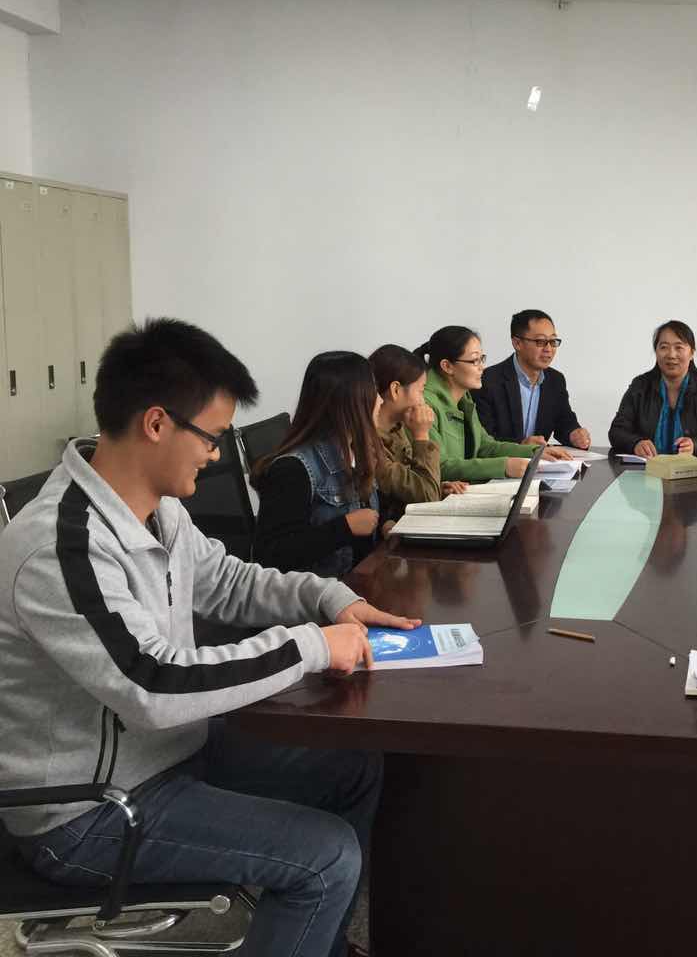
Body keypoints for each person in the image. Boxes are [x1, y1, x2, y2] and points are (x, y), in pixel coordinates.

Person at [0, 318, 417, 957]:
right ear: (156, 423)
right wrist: (310, 645)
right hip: (92, 812)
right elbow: (153, 683)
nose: (218, 455)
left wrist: (331, 597)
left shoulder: (156, 508)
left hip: (170, 754)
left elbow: (227, 581)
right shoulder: (62, 547)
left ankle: (316, 943)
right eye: (212, 437)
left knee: (353, 767)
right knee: (325, 856)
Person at [253, 351, 388, 577]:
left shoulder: (355, 451)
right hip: (318, 594)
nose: (381, 400)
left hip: (360, 581)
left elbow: (363, 513)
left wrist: (385, 524)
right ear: (351, 401)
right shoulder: (293, 469)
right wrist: (344, 528)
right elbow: (271, 555)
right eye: (373, 390)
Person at [415, 326, 573, 483]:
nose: (482, 368)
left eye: (481, 359)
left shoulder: (464, 400)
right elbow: (438, 467)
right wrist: (504, 466)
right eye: (474, 361)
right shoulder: (424, 405)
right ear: (447, 366)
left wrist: (534, 452)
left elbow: (486, 446)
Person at [607, 320, 697, 457]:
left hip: (694, 468)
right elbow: (617, 431)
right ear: (656, 351)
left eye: (679, 347)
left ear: (692, 353)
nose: (671, 355)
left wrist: (696, 445)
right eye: (664, 347)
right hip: (648, 467)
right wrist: (635, 443)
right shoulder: (640, 386)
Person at [369, 343, 467, 520]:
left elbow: (416, 487)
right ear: (395, 390)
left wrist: (439, 488)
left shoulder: (397, 429)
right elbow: (426, 497)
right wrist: (421, 436)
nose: (423, 401)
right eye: (421, 391)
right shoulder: (370, 443)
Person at [474, 309, 591, 450]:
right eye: (540, 341)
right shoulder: (488, 381)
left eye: (553, 341)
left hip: (541, 462)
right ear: (517, 343)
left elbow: (564, 421)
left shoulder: (555, 380)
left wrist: (574, 434)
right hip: (502, 462)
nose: (549, 349)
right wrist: (521, 447)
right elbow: (483, 438)